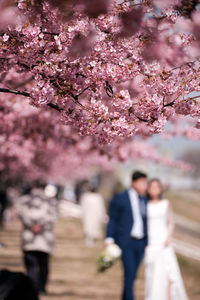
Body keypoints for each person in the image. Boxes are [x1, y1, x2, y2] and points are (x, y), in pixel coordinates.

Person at [105, 171, 148, 300]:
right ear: (133, 182)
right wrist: (109, 238)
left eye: (145, 183)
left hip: (141, 242)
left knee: (133, 274)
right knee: (129, 272)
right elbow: (112, 219)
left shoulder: (144, 200)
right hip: (126, 241)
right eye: (142, 183)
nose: (144, 186)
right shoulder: (120, 198)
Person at [145, 179, 188, 300]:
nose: (154, 189)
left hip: (163, 241)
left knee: (167, 271)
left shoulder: (166, 203)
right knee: (152, 273)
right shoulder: (145, 204)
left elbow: (171, 222)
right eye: (152, 186)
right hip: (150, 242)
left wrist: (168, 237)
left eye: (157, 186)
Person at [16, 183, 58, 296]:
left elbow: (21, 213)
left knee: (31, 265)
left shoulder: (24, 200)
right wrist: (41, 225)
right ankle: (40, 288)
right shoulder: (50, 201)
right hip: (44, 238)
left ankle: (34, 287)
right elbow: (53, 216)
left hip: (30, 237)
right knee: (43, 264)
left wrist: (31, 225)